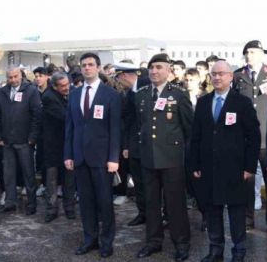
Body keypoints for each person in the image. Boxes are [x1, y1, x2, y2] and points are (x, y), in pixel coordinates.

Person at [190, 60, 260, 262]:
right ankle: (216, 250)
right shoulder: (203, 102)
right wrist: (194, 164)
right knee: (213, 211)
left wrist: (249, 166)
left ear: (230, 77)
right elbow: (196, 136)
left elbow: (253, 136)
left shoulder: (242, 102)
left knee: (237, 212)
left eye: (221, 73)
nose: (217, 77)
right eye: (214, 74)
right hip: (209, 167)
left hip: (235, 168)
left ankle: (239, 251)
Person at [135, 53, 193, 261]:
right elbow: (139, 125)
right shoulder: (141, 94)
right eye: (151, 67)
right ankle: (153, 241)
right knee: (151, 202)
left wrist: (188, 158)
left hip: (172, 158)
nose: (154, 71)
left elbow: (189, 129)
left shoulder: (178, 94)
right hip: (148, 157)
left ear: (168, 70)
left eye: (159, 67)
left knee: (175, 202)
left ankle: (181, 242)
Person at [64, 53, 121, 258]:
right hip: (79, 157)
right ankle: (90, 239)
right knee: (86, 203)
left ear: (98, 67)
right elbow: (70, 127)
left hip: (102, 158)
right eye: (84, 65)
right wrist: (68, 154)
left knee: (104, 202)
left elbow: (115, 129)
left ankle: (107, 241)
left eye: (90, 64)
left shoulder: (110, 95)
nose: (87, 68)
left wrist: (113, 157)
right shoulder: (74, 94)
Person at [232, 40, 267, 235]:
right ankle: (248, 219)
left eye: (253, 52)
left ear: (261, 54)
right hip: (245, 139)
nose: (249, 55)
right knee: (247, 183)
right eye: (247, 52)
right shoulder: (238, 76)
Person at [0, 66, 42, 215]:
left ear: (21, 76)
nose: (13, 80)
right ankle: (10, 202)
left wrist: (32, 137)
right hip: (7, 140)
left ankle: (32, 203)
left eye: (16, 76)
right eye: (10, 77)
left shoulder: (31, 91)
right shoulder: (2, 92)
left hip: (25, 140)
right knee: (8, 174)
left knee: (28, 173)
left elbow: (37, 115)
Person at [115, 64, 148, 226]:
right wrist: (126, 146)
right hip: (134, 145)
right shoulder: (129, 93)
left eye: (118, 79)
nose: (119, 83)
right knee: (139, 182)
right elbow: (128, 122)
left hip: (150, 144)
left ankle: (158, 214)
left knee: (151, 184)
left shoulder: (146, 86)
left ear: (124, 76)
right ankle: (143, 213)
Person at [42, 72, 75, 223]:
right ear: (55, 87)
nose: (66, 88)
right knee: (52, 180)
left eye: (68, 84)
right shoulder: (48, 97)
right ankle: (52, 210)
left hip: (68, 144)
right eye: (62, 86)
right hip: (53, 145)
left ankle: (69, 208)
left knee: (69, 179)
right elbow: (64, 116)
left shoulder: (72, 92)